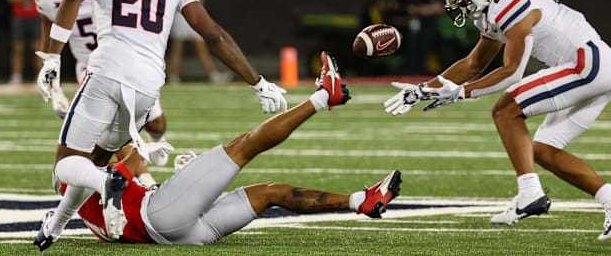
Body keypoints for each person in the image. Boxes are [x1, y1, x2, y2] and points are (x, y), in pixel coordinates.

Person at [34, 0, 287, 243]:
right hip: (147, 86)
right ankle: (57, 224)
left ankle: (106, 182)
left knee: (66, 164)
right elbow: (211, 33)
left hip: (106, 72)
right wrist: (257, 82)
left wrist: (51, 58)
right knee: (99, 158)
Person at [384, 0, 611, 240]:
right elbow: (473, 64)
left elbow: (513, 71)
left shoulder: (510, 1)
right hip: (599, 67)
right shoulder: (494, 9)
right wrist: (422, 90)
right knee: (542, 150)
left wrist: (461, 93)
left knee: (505, 110)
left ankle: (530, 194)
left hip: (587, 65)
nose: (456, 1)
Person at [35, 52, 402, 250]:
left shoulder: (82, 187)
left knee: (270, 192)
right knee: (244, 146)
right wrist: (142, 155)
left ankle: (361, 201)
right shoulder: (82, 175)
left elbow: (121, 174)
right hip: (159, 216)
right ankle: (325, 96)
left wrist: (53, 227)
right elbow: (117, 169)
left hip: (179, 228)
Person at [35, 0, 169, 171]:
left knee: (156, 125)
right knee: (112, 136)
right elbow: (48, 35)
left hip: (128, 61)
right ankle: (143, 182)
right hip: (90, 68)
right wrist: (55, 89)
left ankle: (157, 141)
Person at [166, 0, 230, 83]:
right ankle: (174, 76)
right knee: (180, 48)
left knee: (195, 48)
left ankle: (175, 76)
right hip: (185, 18)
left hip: (186, 18)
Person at [6, 0, 45, 84]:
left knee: (38, 47)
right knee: (17, 47)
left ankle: (39, 76)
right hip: (19, 17)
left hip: (36, 16)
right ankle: (16, 76)